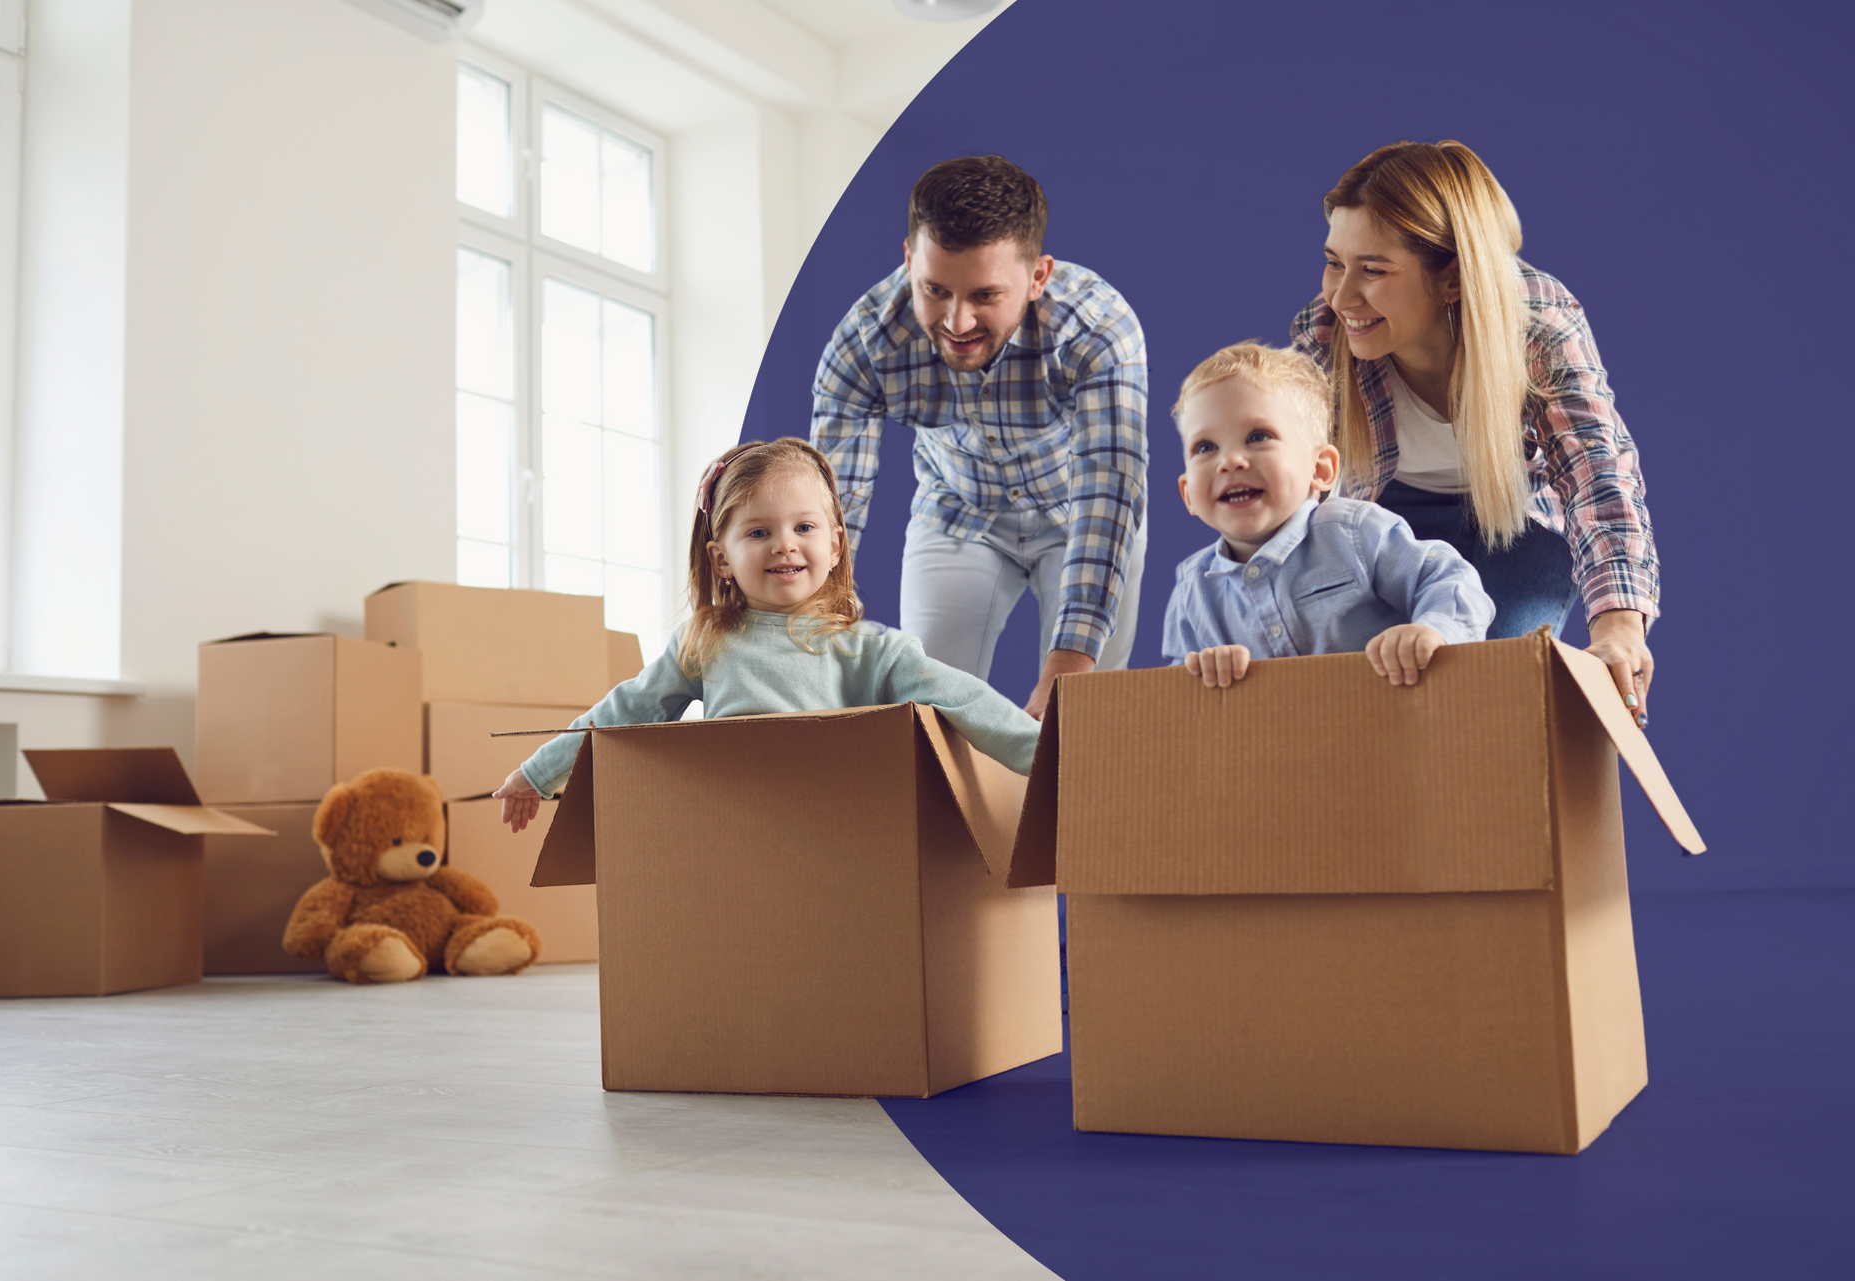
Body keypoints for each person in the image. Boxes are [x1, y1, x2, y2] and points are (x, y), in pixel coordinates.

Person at [492, 438, 1043, 832]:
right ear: (722, 559)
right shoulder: (705, 641)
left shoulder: (874, 652)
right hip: (733, 833)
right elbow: (626, 708)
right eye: (759, 531)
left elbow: (967, 701)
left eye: (804, 527)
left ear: (835, 547)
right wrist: (536, 774)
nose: (784, 544)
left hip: (839, 834)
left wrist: (1053, 761)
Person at [1292, 140, 1659, 726]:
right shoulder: (1325, 332)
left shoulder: (1536, 324)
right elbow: (1292, 487)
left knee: (1481, 691)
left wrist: (1618, 627)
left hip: (1511, 526)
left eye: (1374, 270)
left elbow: (1597, 472)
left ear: (1453, 280)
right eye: (1335, 261)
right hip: (1382, 519)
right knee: (1359, 687)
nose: (1341, 296)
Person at [811, 154, 1147, 720]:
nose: (957, 322)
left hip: (1079, 514)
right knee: (927, 710)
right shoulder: (865, 341)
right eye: (935, 289)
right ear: (908, 259)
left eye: (985, 296)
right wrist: (801, 631)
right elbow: (831, 504)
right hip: (957, 510)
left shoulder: (1098, 329)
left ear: (1038, 276)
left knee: (1083, 716)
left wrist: (1069, 662)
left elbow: (1108, 488)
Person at [1164, 342, 1493, 688]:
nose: (1230, 461)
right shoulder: (1192, 594)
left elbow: (1448, 579)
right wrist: (1201, 676)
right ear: (1188, 494)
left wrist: (1432, 630)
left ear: (1320, 469)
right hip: (1276, 740)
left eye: (1258, 436)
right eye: (1205, 447)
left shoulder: (1353, 534)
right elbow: (1175, 702)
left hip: (1389, 725)